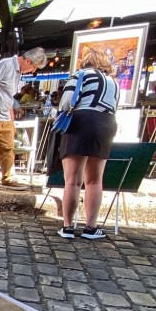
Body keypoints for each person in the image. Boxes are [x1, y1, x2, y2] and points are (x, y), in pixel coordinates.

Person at [57, 49, 119, 241]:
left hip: (81, 121)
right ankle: (91, 227)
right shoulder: (113, 82)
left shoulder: (81, 74)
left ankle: (68, 226)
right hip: (106, 124)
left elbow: (66, 102)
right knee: (94, 180)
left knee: (73, 180)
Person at [0, 47, 47, 190]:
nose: (33, 71)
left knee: (8, 149)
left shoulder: (18, 72)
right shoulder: (5, 65)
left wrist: (12, 120)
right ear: (28, 61)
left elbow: (9, 97)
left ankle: (8, 178)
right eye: (34, 67)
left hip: (6, 116)